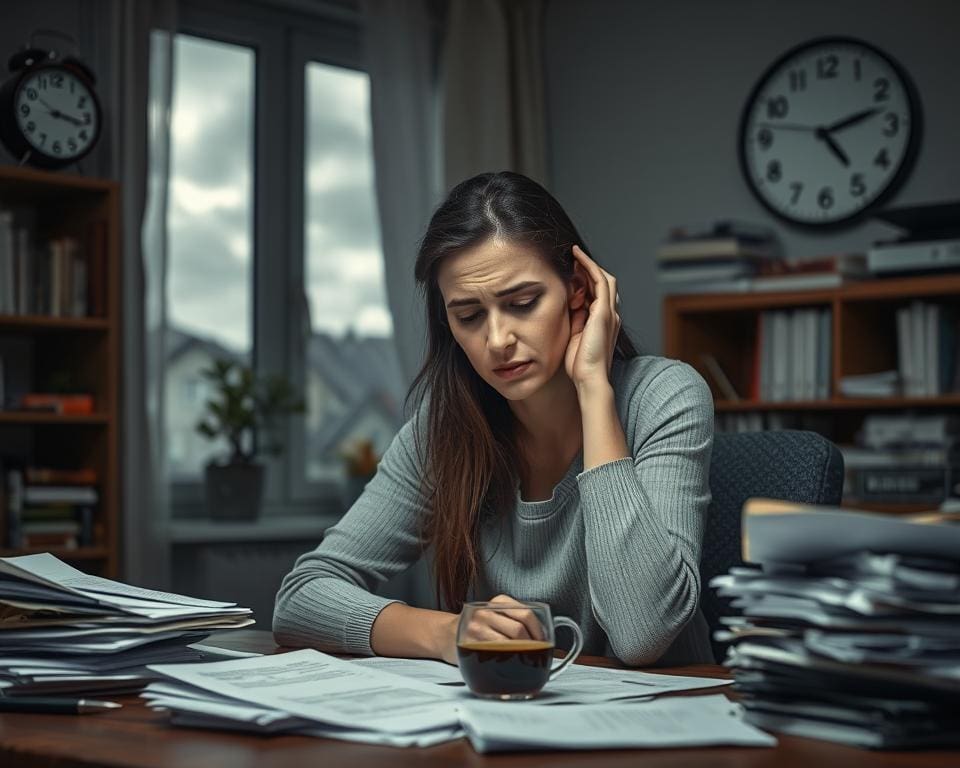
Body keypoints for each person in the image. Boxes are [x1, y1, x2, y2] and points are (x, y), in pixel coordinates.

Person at [274, 171, 715, 666]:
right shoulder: (443, 430)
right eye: (469, 316)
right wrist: (446, 633)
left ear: (578, 290)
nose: (498, 339)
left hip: (665, 726)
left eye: (522, 303)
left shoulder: (664, 396)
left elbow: (642, 634)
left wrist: (594, 388)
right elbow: (301, 598)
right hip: (511, 716)